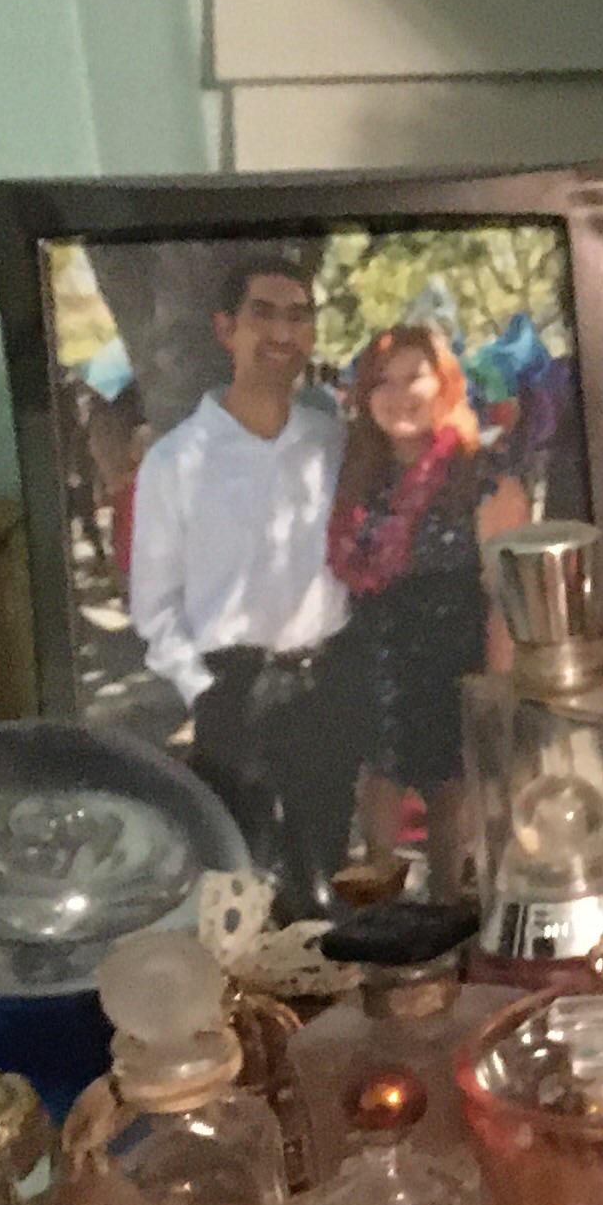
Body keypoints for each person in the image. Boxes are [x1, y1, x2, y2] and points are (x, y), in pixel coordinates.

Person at [129, 250, 357, 914]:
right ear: (226, 328)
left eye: (298, 316)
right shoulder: (176, 462)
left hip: (324, 689)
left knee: (324, 889)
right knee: (239, 894)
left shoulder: (334, 444)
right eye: (263, 313)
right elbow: (154, 604)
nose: (282, 332)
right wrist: (206, 690)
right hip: (233, 692)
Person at [328, 321, 532, 871]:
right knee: (377, 801)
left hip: (453, 661)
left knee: (451, 807)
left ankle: (448, 906)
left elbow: (505, 597)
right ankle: (379, 909)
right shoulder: (356, 475)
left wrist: (499, 693)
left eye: (413, 378)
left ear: (444, 384)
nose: (398, 395)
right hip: (372, 660)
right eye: (382, 381)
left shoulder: (483, 477)